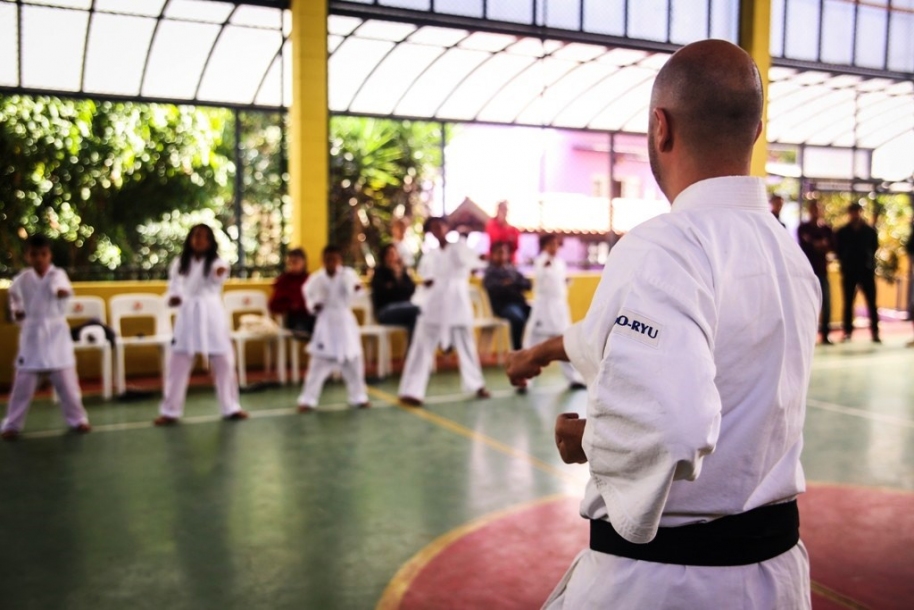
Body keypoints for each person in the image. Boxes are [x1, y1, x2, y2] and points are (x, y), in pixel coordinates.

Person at [506, 40, 818, 609]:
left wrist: (589, 440)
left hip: (665, 585)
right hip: (775, 580)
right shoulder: (788, 254)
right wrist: (544, 351)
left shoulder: (667, 244)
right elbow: (625, 335)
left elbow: (673, 425)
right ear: (754, 130)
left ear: (660, 127)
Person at [155, 224, 248, 426]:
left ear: (210, 242)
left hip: (211, 315)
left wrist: (221, 271)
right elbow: (174, 288)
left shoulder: (216, 262)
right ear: (190, 239)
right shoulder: (179, 263)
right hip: (187, 315)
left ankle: (231, 406)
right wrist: (173, 299)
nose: (200, 240)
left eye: (204, 237)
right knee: (177, 363)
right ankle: (170, 410)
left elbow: (219, 273)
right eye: (196, 236)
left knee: (224, 362)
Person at [2, 235, 91, 440]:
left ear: (49, 255)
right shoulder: (22, 280)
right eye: (34, 254)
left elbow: (64, 289)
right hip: (32, 337)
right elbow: (14, 299)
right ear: (28, 256)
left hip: (56, 338)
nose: (39, 258)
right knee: (21, 388)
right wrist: (17, 311)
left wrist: (62, 292)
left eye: (43, 254)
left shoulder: (57, 275)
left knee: (69, 388)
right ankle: (12, 425)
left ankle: (78, 420)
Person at [398, 217, 490, 407]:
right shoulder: (430, 255)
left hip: (457, 302)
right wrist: (428, 282)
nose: (438, 230)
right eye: (433, 228)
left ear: (447, 227)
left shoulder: (459, 247)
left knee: (466, 344)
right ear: (430, 232)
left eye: (440, 226)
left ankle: (477, 385)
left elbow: (476, 262)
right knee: (421, 346)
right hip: (434, 303)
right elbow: (424, 276)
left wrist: (480, 260)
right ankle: (411, 390)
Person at [297, 245, 369, 411]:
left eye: (335, 259)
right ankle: (308, 399)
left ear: (340, 260)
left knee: (354, 361)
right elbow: (309, 298)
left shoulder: (347, 274)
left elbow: (356, 290)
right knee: (317, 364)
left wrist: (357, 289)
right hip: (326, 323)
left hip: (344, 321)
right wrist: (314, 306)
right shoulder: (316, 279)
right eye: (328, 259)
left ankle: (359, 396)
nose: (331, 262)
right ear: (323, 260)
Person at [524, 234, 585, 391]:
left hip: (559, 309)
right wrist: (544, 268)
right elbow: (540, 277)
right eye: (551, 244)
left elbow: (557, 282)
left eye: (557, 244)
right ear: (544, 245)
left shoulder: (559, 263)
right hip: (543, 308)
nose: (555, 247)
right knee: (532, 344)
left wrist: (564, 282)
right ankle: (524, 379)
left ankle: (573, 378)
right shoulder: (541, 261)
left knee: (565, 343)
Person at [835, 202, 880, 343]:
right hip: (849, 271)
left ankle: (875, 332)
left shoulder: (869, 231)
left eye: (857, 211)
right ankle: (847, 331)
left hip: (866, 270)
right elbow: (838, 250)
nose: (855, 214)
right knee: (848, 302)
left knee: (871, 302)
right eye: (853, 212)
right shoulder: (842, 232)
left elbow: (874, 248)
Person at [798, 199, 835, 344]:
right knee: (806, 304)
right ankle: (806, 334)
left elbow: (832, 246)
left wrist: (818, 244)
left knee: (826, 303)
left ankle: (825, 334)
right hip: (807, 272)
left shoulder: (826, 229)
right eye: (813, 208)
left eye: (818, 208)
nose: (815, 211)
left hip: (822, 271)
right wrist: (817, 244)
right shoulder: (804, 228)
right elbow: (805, 245)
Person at [483, 241, 531, 351]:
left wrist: (511, 283)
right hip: (503, 306)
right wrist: (513, 285)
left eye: (505, 253)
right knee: (518, 319)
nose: (502, 256)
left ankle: (532, 349)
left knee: (537, 316)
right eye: (499, 253)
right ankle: (517, 350)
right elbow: (494, 288)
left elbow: (527, 284)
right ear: (493, 254)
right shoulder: (490, 272)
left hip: (520, 304)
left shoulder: (511, 270)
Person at [371, 243, 420, 341]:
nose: (393, 256)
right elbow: (384, 294)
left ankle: (412, 353)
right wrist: (396, 281)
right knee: (417, 310)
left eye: (394, 253)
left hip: (405, 309)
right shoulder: (379, 273)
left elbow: (411, 289)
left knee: (416, 319)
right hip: (385, 311)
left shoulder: (402, 273)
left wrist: (398, 278)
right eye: (390, 254)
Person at [268, 247, 315, 341]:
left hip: (311, 315)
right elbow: (273, 305)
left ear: (304, 262)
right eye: (291, 261)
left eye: (297, 261)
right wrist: (290, 305)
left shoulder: (311, 280)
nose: (294, 264)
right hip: (294, 318)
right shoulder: (284, 281)